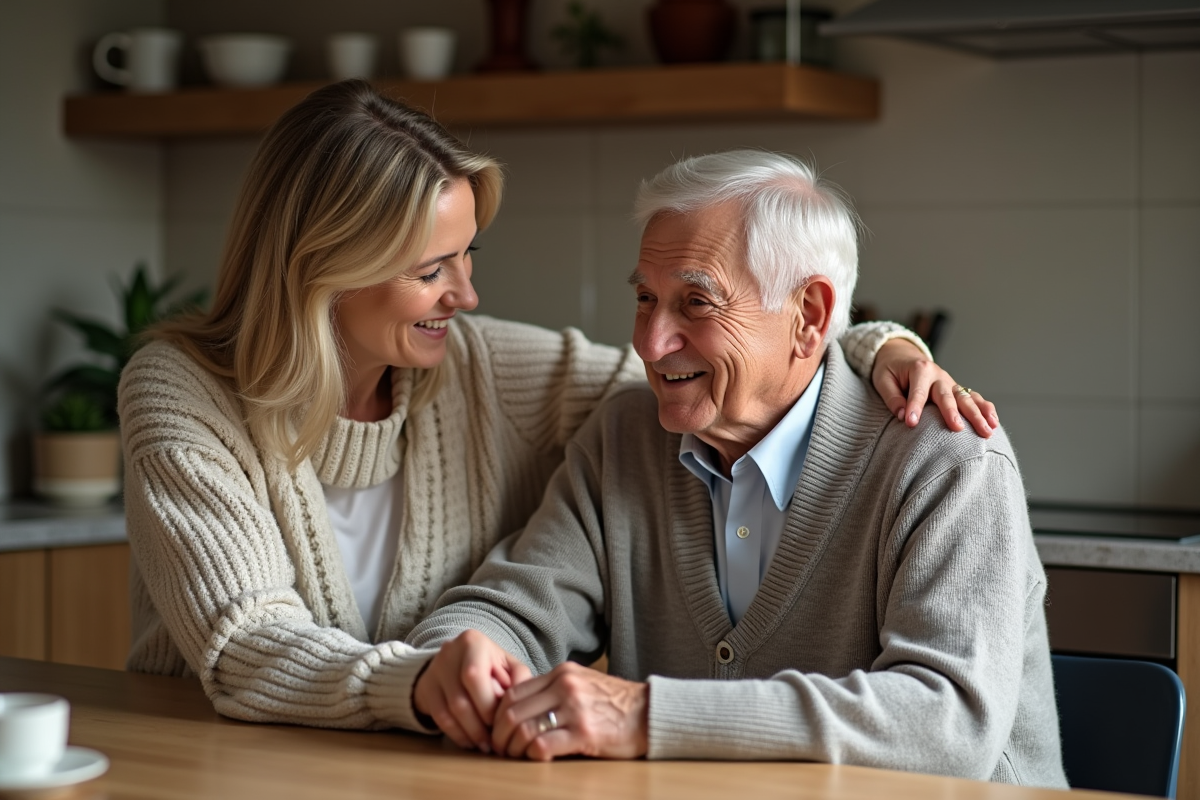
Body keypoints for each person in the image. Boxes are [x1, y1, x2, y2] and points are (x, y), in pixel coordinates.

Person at [118, 81, 996, 732]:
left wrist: (866, 343)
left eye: (466, 256)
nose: (465, 295)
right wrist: (436, 672)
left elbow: (735, 378)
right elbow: (247, 649)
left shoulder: (944, 458)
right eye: (432, 270)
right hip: (207, 759)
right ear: (321, 271)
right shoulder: (183, 393)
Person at [405, 150, 1066, 789]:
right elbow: (519, 610)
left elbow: (947, 725)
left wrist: (643, 717)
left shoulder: (949, 460)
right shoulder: (625, 437)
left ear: (808, 317)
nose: (651, 341)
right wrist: (456, 657)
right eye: (644, 299)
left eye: (696, 303)